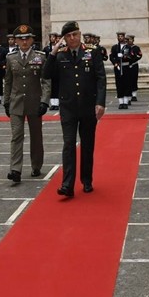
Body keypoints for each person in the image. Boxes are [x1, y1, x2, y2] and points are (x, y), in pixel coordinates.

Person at [45, 20, 106, 198]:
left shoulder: (92, 52)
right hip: (68, 108)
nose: (73, 38)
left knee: (87, 145)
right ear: (64, 38)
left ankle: (86, 180)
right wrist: (53, 52)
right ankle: (67, 185)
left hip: (88, 107)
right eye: (69, 36)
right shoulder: (61, 55)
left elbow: (100, 79)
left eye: (75, 34)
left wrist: (100, 102)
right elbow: (46, 74)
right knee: (69, 145)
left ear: (80, 34)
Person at [3, 25, 51, 185]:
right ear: (16, 41)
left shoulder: (40, 57)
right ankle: (15, 170)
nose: (24, 42)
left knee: (36, 137)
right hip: (16, 102)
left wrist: (44, 101)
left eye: (27, 38)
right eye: (20, 39)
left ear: (32, 40)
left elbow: (45, 81)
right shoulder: (10, 58)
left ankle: (36, 165)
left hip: (34, 102)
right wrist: (6, 101)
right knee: (16, 136)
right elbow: (8, 82)